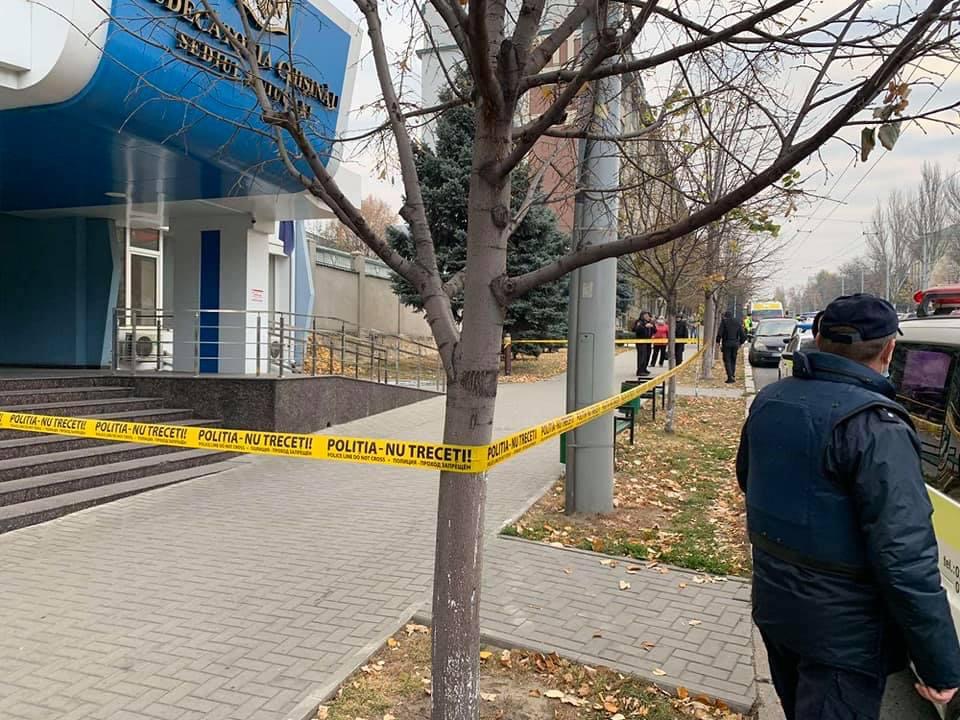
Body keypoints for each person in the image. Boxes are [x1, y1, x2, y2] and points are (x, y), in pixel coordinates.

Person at [736, 294, 960, 720]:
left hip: (776, 608)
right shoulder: (876, 426)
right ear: (889, 350)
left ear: (819, 338)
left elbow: (748, 478)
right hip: (844, 638)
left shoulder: (771, 399)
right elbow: (905, 556)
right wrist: (940, 664)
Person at [716, 311, 747, 383]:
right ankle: (732, 374)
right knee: (733, 360)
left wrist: (718, 341)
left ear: (725, 316)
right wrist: (740, 343)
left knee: (727, 360)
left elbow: (720, 333)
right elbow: (743, 335)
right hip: (735, 344)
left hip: (726, 343)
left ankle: (730, 377)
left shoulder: (724, 322)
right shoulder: (737, 322)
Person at [632, 312, 656, 377]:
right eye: (646, 316)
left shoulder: (650, 322)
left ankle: (644, 369)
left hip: (648, 342)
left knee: (647, 355)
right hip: (641, 342)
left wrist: (652, 326)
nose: (647, 317)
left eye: (648, 316)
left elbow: (655, 331)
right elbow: (635, 329)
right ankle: (640, 371)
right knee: (642, 356)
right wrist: (644, 326)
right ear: (642, 316)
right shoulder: (639, 322)